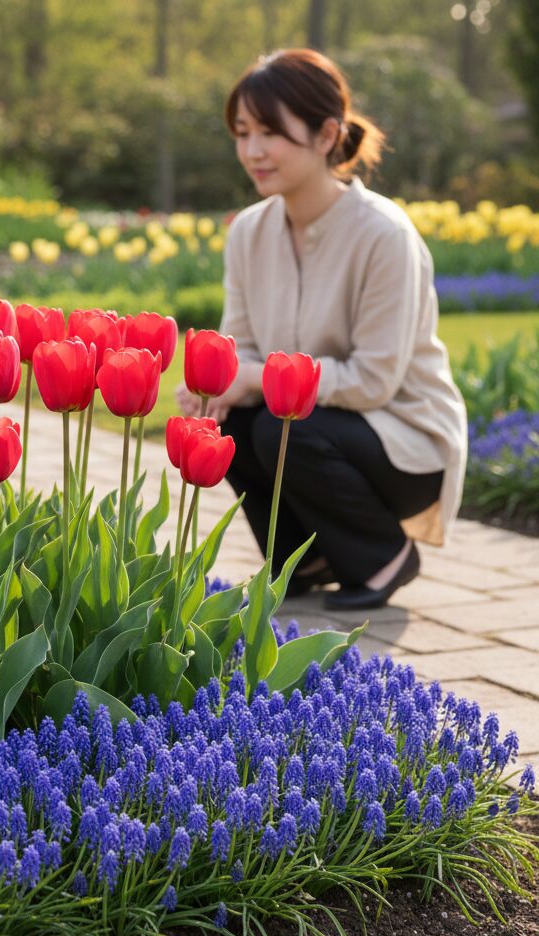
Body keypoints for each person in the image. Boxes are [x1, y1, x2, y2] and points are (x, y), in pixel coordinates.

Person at [177, 48, 467, 611]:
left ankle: (384, 557)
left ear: (327, 134)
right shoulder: (249, 233)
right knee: (233, 420)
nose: (253, 151)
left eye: (271, 132)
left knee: (281, 425)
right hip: (322, 432)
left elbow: (374, 381)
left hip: (404, 442)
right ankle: (302, 559)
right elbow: (241, 348)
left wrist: (252, 378)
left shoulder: (383, 235)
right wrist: (216, 389)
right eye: (243, 133)